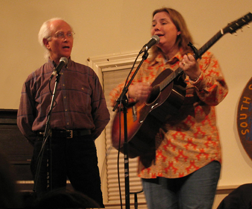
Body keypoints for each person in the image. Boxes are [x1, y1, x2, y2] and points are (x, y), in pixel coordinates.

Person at [109, 7, 228, 209]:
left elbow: (217, 94)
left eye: (164, 22)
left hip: (197, 158)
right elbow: (114, 96)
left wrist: (196, 75)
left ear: (179, 29)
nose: (157, 27)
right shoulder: (146, 66)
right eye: (154, 23)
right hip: (154, 163)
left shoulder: (203, 59)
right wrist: (132, 92)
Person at [17, 17, 110, 207]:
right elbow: (24, 120)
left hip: (81, 146)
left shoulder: (87, 74)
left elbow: (101, 114)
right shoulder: (34, 79)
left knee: (91, 201)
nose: (67, 39)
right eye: (60, 35)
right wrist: (44, 140)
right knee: (47, 202)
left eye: (69, 34)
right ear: (47, 43)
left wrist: (83, 137)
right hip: (49, 146)